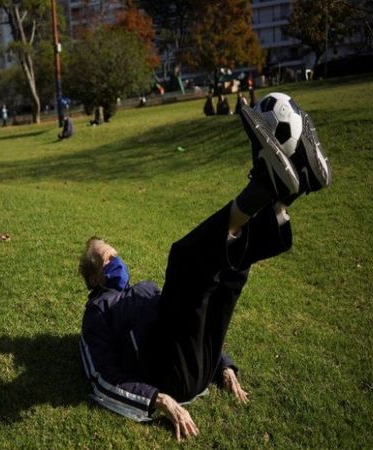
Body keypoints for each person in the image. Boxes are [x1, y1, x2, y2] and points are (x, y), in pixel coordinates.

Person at [79, 103, 332, 441]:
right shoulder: (98, 310)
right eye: (109, 259)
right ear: (95, 278)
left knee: (227, 274)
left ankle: (286, 196)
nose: (118, 261)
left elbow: (194, 320)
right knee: (184, 258)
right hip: (165, 372)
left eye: (116, 254)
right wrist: (157, 399)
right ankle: (263, 185)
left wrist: (223, 365)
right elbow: (101, 377)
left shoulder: (142, 288)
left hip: (193, 362)